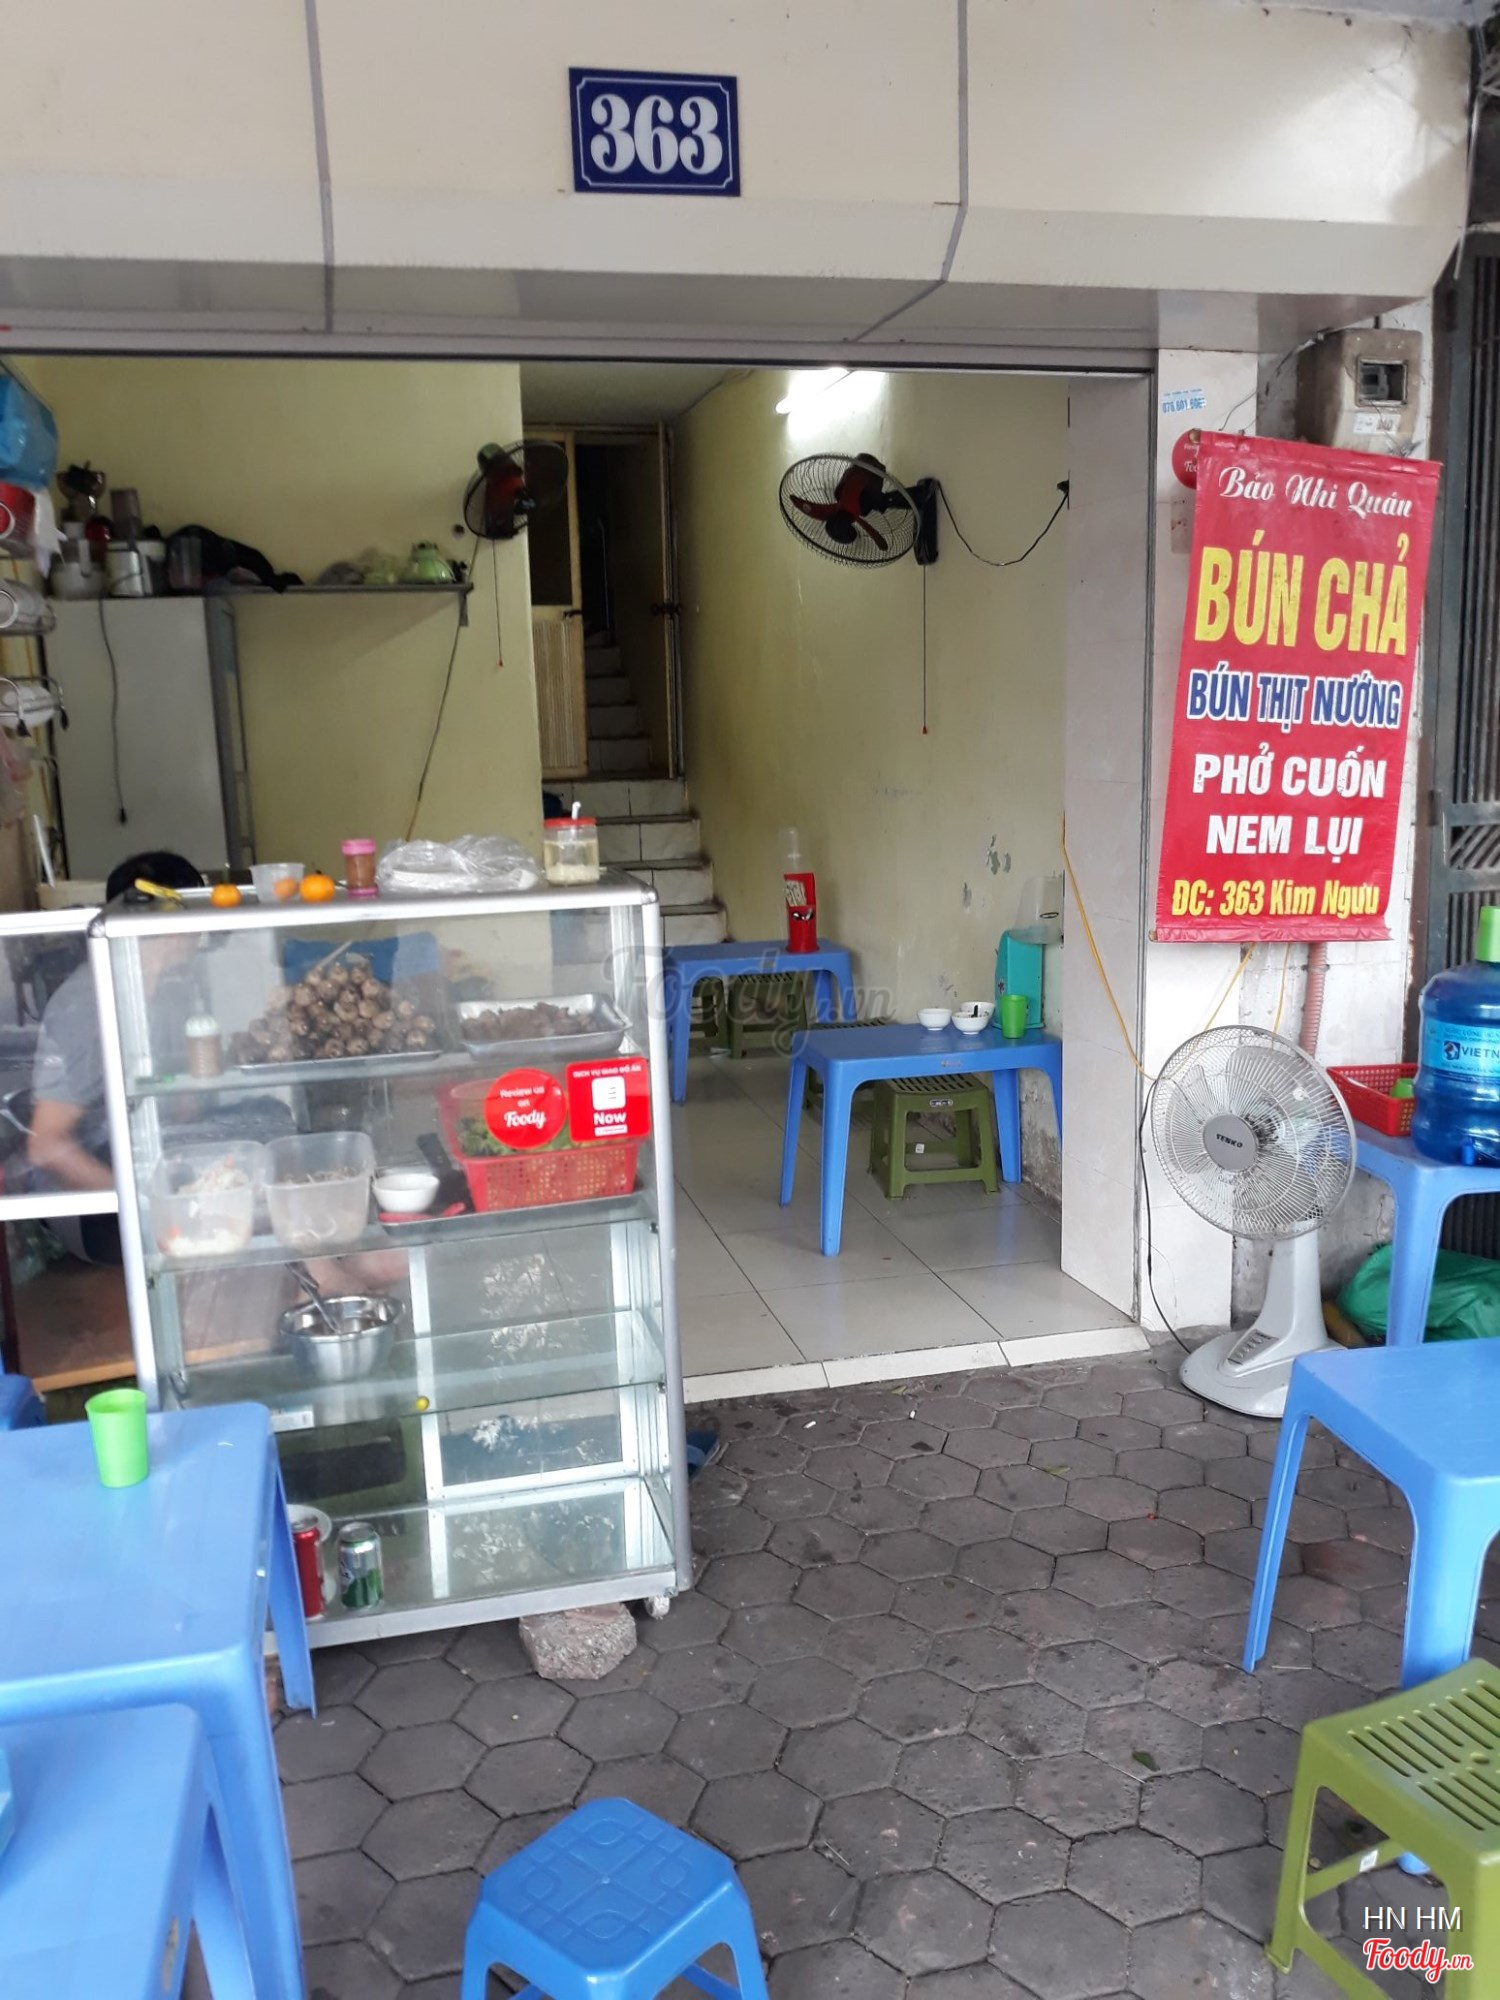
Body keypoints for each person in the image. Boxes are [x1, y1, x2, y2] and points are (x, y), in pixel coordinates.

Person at [28, 850, 204, 1258]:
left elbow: (183, 1108)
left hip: (146, 1160)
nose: (200, 932)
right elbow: (46, 1146)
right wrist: (145, 1206)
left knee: (266, 1124)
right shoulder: (88, 1005)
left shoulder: (166, 992)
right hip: (94, 1204)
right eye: (193, 914)